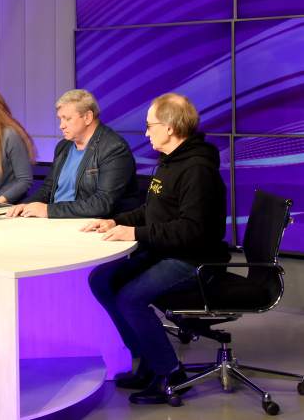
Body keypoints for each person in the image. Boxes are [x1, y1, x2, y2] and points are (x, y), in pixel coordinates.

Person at [82, 93, 230, 404]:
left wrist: (134, 232)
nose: (146, 133)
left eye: (150, 126)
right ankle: (149, 360)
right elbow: (153, 210)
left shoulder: (197, 170)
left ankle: (171, 375)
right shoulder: (169, 161)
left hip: (194, 259)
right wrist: (114, 221)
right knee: (102, 280)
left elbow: (191, 231)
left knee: (130, 298)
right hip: (166, 249)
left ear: (170, 128)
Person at [7, 89, 138, 218]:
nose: (61, 126)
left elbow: (102, 204)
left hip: (89, 224)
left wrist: (48, 210)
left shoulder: (114, 148)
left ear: (87, 117)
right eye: (60, 119)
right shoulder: (63, 146)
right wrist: (26, 205)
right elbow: (48, 189)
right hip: (56, 219)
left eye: (67, 119)